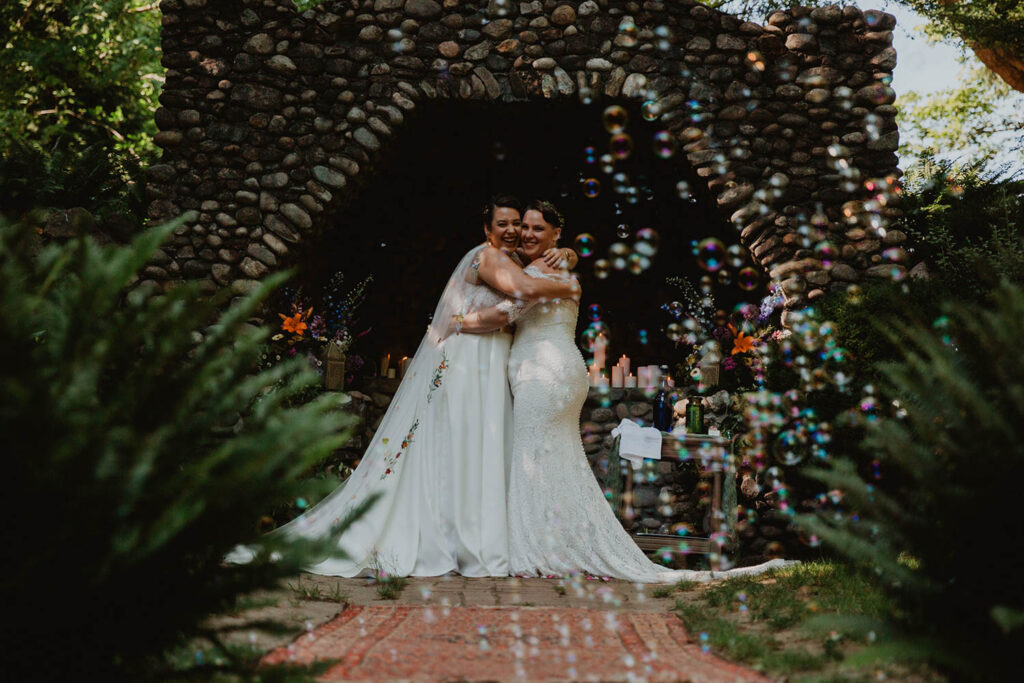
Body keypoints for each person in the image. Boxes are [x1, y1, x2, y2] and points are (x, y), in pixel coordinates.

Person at [227, 195, 578, 577]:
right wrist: (563, 284)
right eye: (505, 224)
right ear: (487, 229)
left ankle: (473, 536)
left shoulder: (514, 261)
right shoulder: (489, 257)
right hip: (471, 359)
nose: (514, 230)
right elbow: (520, 295)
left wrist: (567, 255)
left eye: (519, 224)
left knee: (476, 443)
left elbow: (520, 292)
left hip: (489, 360)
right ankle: (463, 541)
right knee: (465, 443)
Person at [490, 200, 789, 582]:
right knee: (548, 459)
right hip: (545, 369)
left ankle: (539, 547)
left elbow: (507, 308)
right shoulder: (542, 262)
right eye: (524, 228)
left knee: (533, 453)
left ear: (555, 234)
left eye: (537, 229)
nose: (527, 234)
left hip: (547, 374)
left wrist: (461, 319)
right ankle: (555, 541)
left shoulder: (541, 268)